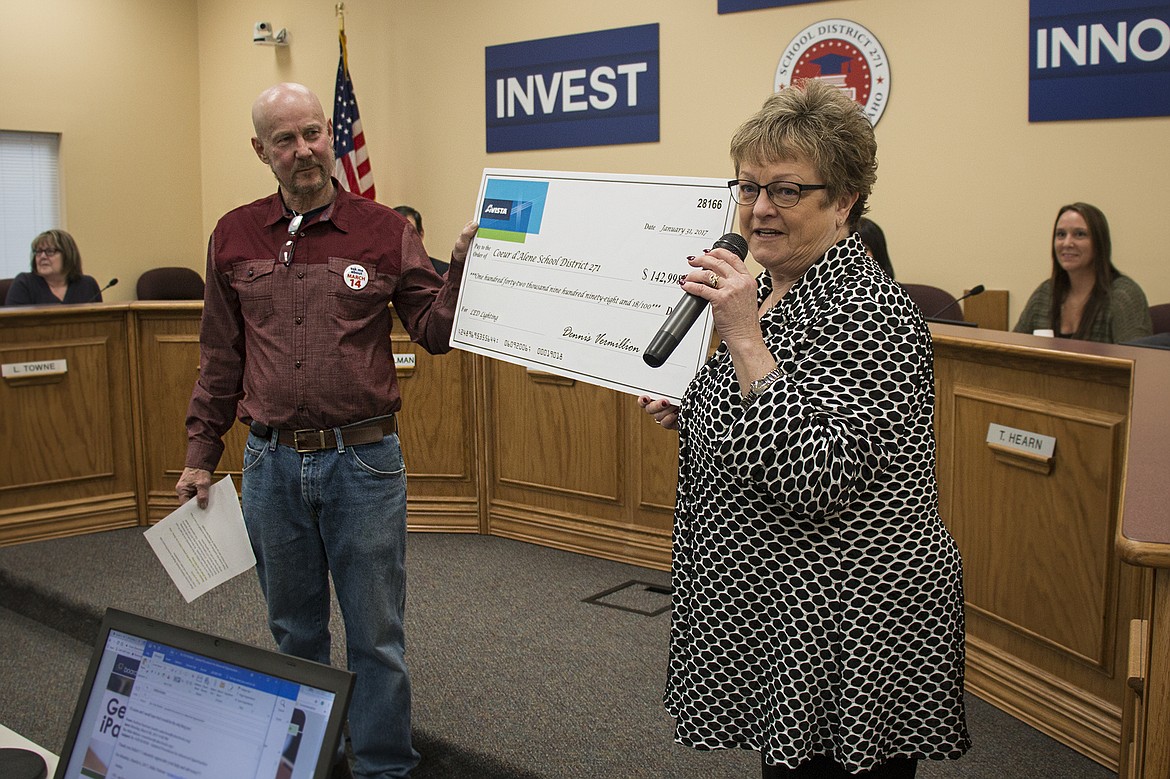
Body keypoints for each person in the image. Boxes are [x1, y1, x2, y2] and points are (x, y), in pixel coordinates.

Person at [637, 80, 970, 777]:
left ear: (843, 198)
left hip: (849, 618)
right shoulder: (766, 286)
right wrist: (692, 411)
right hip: (784, 605)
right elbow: (769, 412)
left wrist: (746, 343)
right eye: (749, 186)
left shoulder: (873, 312)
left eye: (786, 191)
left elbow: (819, 474)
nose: (760, 209)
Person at [176, 82, 478, 779]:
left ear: (328, 136)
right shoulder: (234, 233)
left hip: (363, 465)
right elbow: (220, 356)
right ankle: (308, 759)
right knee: (294, 631)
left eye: (313, 132)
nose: (305, 149)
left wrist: (461, 265)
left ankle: (380, 765)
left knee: (376, 636)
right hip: (271, 467)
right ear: (262, 150)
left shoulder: (382, 229)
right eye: (285, 139)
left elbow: (433, 332)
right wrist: (199, 451)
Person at [1013, 202, 1151, 343]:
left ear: (1099, 243)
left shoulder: (1123, 296)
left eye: (1079, 234)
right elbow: (1013, 349)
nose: (1067, 243)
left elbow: (1139, 360)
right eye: (1061, 234)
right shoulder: (1045, 293)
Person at [5, 229, 102, 304]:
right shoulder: (24, 283)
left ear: (67, 255)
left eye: (50, 251)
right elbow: (14, 326)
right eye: (38, 251)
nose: (42, 256)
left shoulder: (87, 285)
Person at [393, 204, 449, 274]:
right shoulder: (380, 275)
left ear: (421, 235)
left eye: (408, 233)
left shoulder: (444, 273)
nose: (403, 240)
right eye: (396, 234)